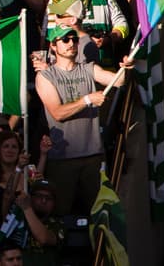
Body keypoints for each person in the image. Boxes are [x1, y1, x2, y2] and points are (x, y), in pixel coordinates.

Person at [35, 25, 131, 214]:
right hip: (62, 159)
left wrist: (127, 68)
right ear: (53, 46)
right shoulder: (45, 76)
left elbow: (119, 80)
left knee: (102, 213)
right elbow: (57, 113)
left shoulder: (88, 69)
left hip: (93, 156)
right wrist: (87, 100)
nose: (71, 43)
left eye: (74, 39)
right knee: (59, 213)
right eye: (65, 40)